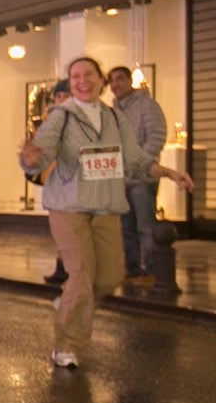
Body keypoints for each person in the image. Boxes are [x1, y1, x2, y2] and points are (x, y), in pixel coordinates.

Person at [19, 56, 194, 370]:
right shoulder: (62, 115)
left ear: (101, 81)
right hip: (68, 206)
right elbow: (40, 148)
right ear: (70, 83)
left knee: (111, 276)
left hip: (104, 206)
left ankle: (69, 301)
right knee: (82, 274)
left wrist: (168, 172)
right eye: (75, 77)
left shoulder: (114, 118)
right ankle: (66, 345)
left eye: (89, 75)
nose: (82, 81)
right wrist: (31, 157)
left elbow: (136, 159)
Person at [107, 65, 169, 286]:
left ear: (129, 80)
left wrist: (142, 162)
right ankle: (131, 268)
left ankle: (153, 270)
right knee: (126, 227)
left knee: (145, 225)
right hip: (120, 178)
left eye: (120, 79)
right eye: (112, 81)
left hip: (142, 177)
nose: (115, 84)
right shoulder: (113, 111)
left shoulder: (146, 105)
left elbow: (157, 134)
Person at [38, 78, 72, 285]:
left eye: (65, 95)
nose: (62, 99)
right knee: (59, 226)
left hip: (72, 180)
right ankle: (61, 266)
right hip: (54, 178)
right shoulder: (50, 120)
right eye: (59, 96)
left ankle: (71, 267)